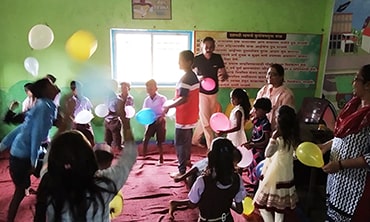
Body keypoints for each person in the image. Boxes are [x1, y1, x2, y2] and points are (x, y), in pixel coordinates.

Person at [34, 129, 137, 221]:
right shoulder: (103, 185)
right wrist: (125, 122)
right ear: (90, 157)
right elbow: (129, 157)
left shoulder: (48, 183)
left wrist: (63, 125)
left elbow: (49, 158)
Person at [0, 77, 60, 222]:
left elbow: (24, 128)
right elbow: (35, 136)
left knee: (44, 182)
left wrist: (3, 144)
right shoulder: (44, 107)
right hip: (23, 157)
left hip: (21, 154)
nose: (55, 86)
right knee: (22, 191)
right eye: (51, 85)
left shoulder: (44, 105)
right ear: (45, 91)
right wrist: (33, 162)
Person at [318, 64, 370, 221]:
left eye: (356, 79)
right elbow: (345, 138)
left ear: (368, 85)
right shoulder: (353, 107)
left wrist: (340, 165)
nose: (353, 83)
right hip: (338, 182)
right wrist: (326, 146)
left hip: (356, 187)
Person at [169, 137, 246, 221]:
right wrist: (225, 200)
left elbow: (192, 204)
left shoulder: (203, 181)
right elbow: (239, 210)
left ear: (211, 157)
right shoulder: (237, 179)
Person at [253, 105, 300, 222]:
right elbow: (295, 155)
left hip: (273, 177)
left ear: (280, 120)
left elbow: (267, 154)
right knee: (280, 209)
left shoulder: (278, 138)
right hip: (286, 176)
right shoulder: (293, 136)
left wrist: (273, 138)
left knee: (261, 206)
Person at [163, 50, 199, 178]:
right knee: (187, 141)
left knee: (180, 143)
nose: (179, 62)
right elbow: (183, 96)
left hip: (184, 116)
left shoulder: (186, 78)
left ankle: (182, 170)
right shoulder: (192, 76)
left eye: (181, 60)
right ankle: (186, 162)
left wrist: (169, 106)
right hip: (190, 115)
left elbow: (184, 98)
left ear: (189, 62)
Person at [192, 36, 229, 149]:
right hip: (201, 92)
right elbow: (191, 73)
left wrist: (224, 76)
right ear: (202, 47)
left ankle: (194, 139)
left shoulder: (217, 58)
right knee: (207, 122)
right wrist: (199, 77)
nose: (209, 49)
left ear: (214, 47)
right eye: (206, 47)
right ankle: (211, 147)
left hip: (214, 91)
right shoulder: (197, 58)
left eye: (211, 47)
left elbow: (224, 72)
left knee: (207, 118)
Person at [255, 63, 295, 131]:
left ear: (281, 76)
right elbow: (255, 108)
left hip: (277, 131)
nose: (270, 76)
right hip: (262, 130)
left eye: (274, 74)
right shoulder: (264, 89)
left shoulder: (286, 94)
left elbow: (285, 118)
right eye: (268, 73)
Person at [142, 79, 167, 165]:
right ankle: (143, 156)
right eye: (148, 89)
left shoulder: (162, 98)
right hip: (150, 121)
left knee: (159, 141)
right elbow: (144, 111)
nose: (149, 91)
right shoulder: (147, 100)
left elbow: (166, 109)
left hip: (160, 120)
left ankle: (161, 158)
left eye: (151, 89)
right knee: (146, 138)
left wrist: (161, 117)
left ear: (156, 88)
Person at [66, 80, 95, 146]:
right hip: (77, 125)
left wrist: (88, 117)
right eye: (77, 89)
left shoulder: (85, 100)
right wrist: (74, 121)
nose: (80, 91)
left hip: (86, 124)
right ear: (73, 90)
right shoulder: (71, 101)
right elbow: (69, 114)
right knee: (78, 142)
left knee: (90, 140)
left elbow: (90, 110)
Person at [104, 80, 126, 151]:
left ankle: (120, 156)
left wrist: (111, 113)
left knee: (117, 141)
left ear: (115, 87)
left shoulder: (118, 99)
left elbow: (120, 112)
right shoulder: (106, 98)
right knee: (108, 140)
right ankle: (109, 155)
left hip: (114, 121)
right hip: (107, 121)